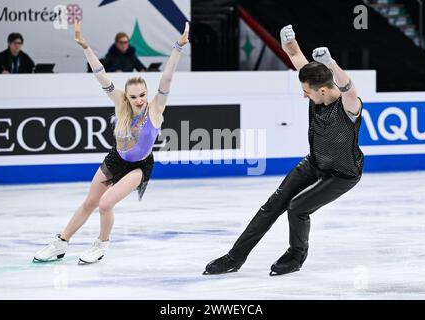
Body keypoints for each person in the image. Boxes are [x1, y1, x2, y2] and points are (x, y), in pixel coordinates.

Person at [204, 24, 364, 276]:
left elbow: (349, 89)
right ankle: (234, 257)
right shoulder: (316, 83)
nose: (304, 96)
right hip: (314, 163)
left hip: (343, 174)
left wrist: (331, 63)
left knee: (298, 207)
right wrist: (289, 42)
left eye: (306, 92)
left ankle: (296, 256)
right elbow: (296, 56)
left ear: (322, 89)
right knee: (272, 205)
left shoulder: (348, 107)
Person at [33, 20, 189, 264]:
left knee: (105, 204)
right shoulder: (120, 104)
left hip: (139, 166)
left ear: (147, 94)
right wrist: (86, 48)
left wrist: (178, 48)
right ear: (127, 96)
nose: (138, 100)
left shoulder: (156, 108)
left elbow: (167, 78)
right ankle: (60, 242)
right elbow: (100, 75)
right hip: (115, 159)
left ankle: (101, 244)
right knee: (90, 202)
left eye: (142, 95)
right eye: (133, 96)